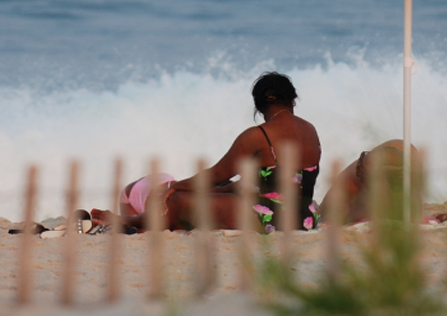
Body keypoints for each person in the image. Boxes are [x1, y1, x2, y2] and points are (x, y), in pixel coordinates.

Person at [92, 72, 322, 233]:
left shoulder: (258, 135)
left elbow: (217, 175)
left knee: (178, 200)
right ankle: (147, 221)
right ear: (293, 100)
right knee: (224, 189)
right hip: (305, 217)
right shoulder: (310, 129)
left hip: (270, 219)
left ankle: (129, 221)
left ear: (259, 106)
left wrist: (176, 187)